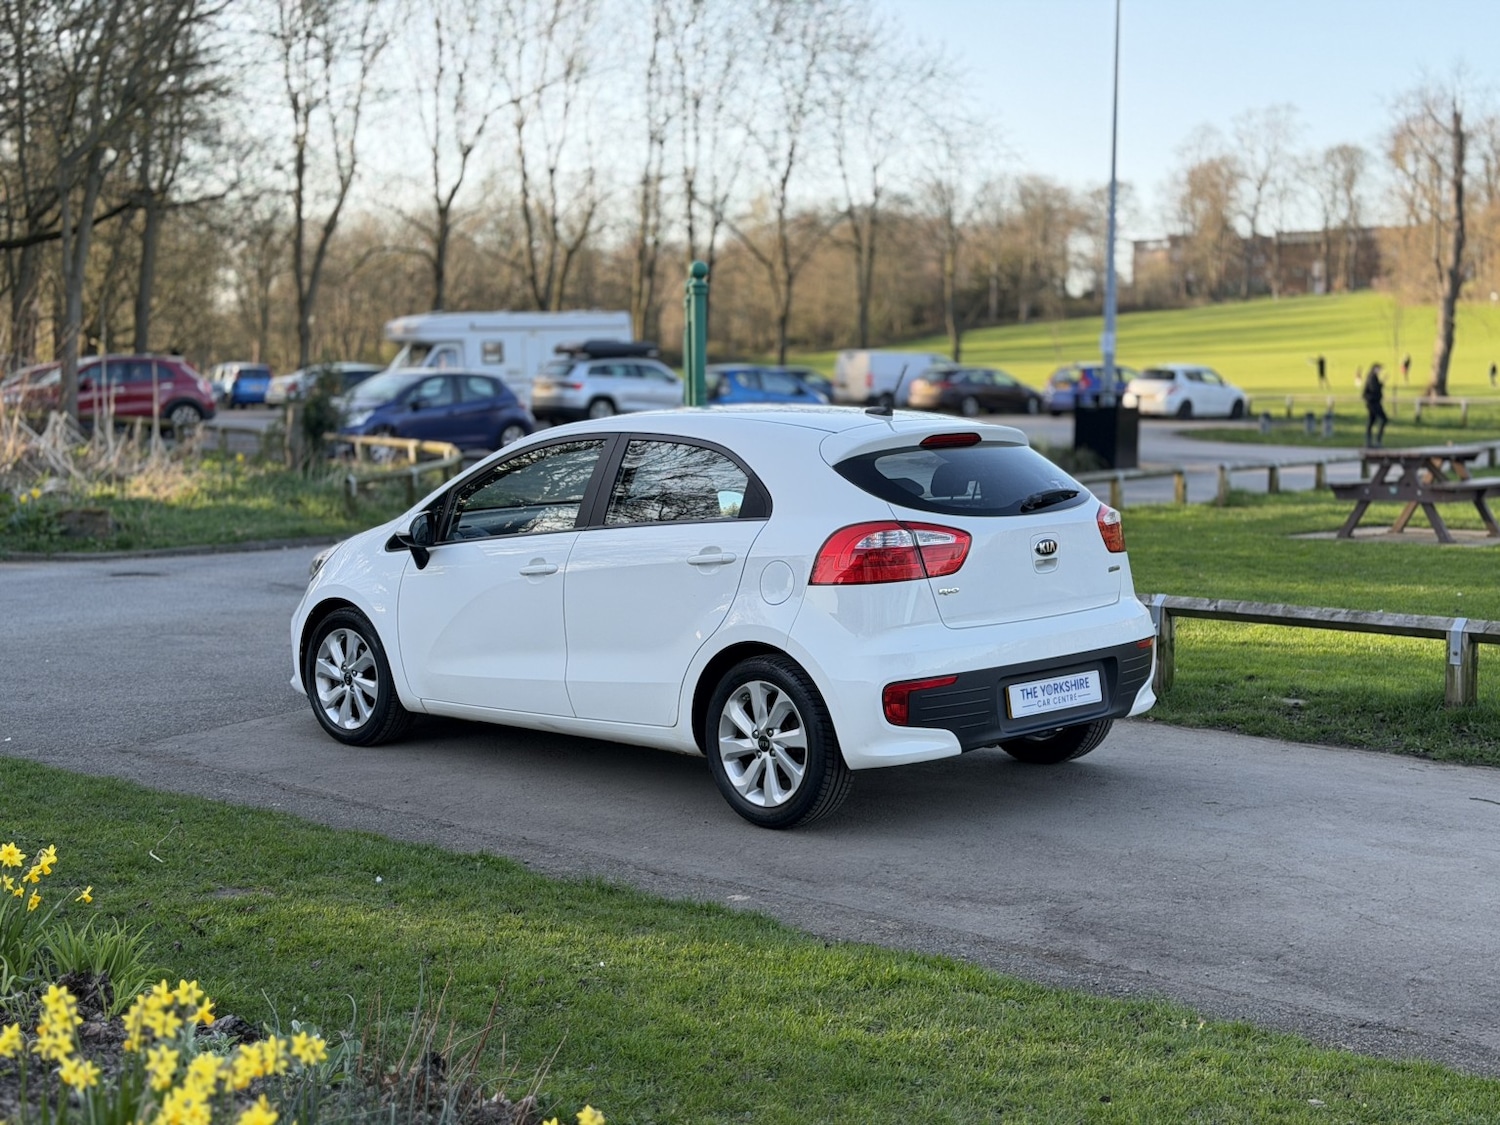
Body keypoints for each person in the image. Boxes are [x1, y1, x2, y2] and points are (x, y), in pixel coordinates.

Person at [1363, 363, 1388, 448]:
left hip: (1373, 402)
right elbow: (1375, 389)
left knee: (1372, 421)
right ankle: (1377, 441)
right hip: (1373, 403)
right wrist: (1382, 383)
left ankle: (1370, 441)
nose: (1379, 371)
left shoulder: (1372, 377)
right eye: (1378, 369)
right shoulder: (1372, 378)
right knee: (1383, 419)